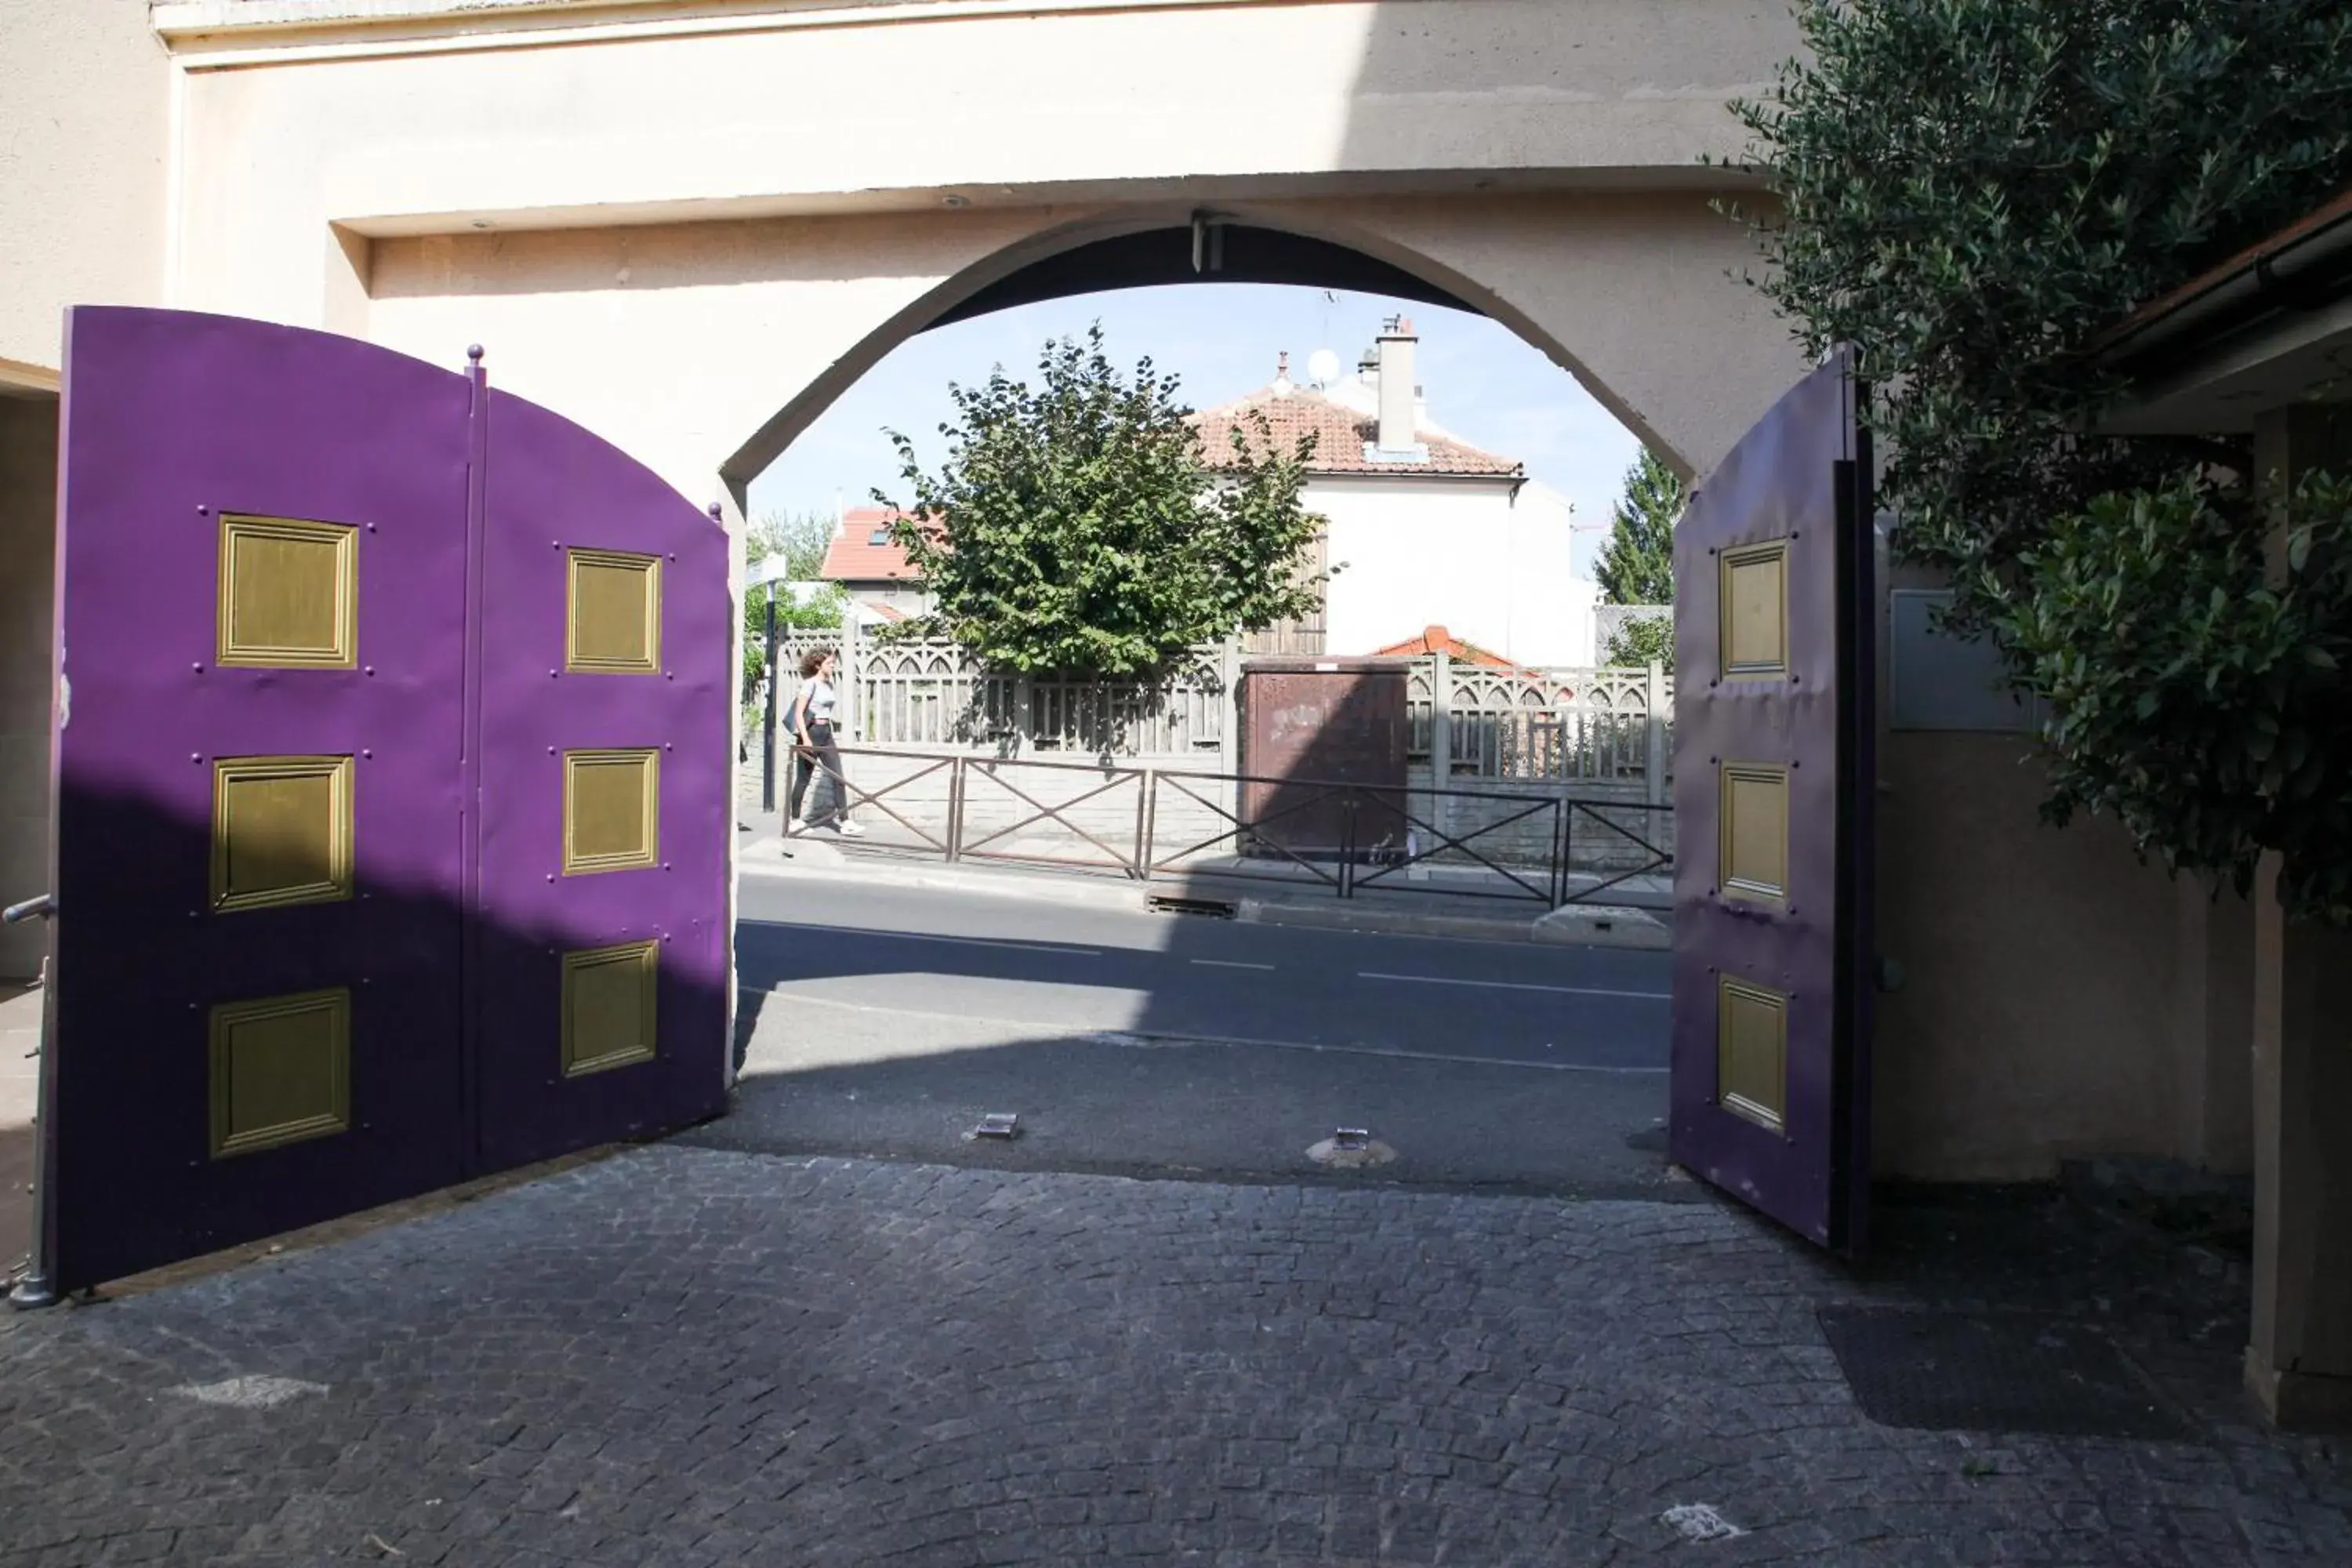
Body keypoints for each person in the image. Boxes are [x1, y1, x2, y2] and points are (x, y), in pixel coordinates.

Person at [786, 648, 864, 837]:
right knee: (803, 779)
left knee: (838, 777)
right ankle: (794, 820)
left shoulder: (828, 685)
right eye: (829, 663)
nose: (833, 666)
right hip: (810, 732)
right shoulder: (809, 685)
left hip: (826, 733)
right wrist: (805, 738)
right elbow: (798, 714)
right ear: (817, 665)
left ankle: (845, 822)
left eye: (833, 662)